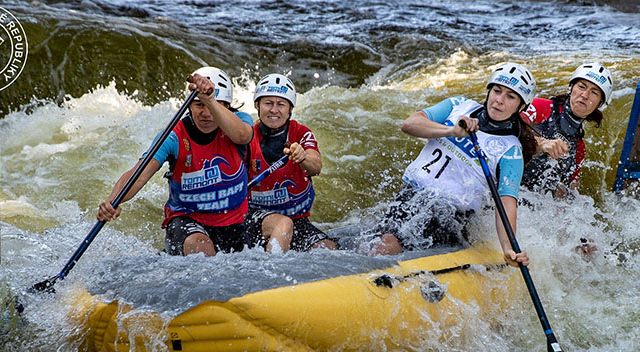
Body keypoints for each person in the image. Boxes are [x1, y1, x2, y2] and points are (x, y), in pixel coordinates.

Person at [372, 63, 538, 267]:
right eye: (496, 91)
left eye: (510, 97)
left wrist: (508, 248)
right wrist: (450, 131)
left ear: (521, 107)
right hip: (410, 197)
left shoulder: (510, 151)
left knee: (386, 246)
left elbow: (505, 204)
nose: (499, 100)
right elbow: (409, 124)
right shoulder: (458, 106)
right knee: (378, 245)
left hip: (450, 216)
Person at [97, 67, 254, 256]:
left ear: (226, 107)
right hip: (187, 222)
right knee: (202, 249)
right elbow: (139, 174)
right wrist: (112, 201)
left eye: (214, 105)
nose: (206, 113)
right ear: (189, 106)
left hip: (233, 222)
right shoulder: (174, 136)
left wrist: (209, 99)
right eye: (199, 105)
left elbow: (242, 136)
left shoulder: (241, 121)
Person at [245, 73, 337, 252]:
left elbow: (316, 166)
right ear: (257, 105)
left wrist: (302, 157)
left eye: (280, 104)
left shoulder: (301, 133)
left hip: (297, 220)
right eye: (268, 103)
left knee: (328, 249)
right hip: (255, 219)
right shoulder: (246, 136)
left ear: (289, 109)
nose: (274, 110)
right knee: (283, 225)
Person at [521, 62, 613, 197]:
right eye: (581, 87)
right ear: (570, 88)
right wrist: (539, 143)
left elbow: (569, 193)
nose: (585, 95)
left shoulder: (579, 149)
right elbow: (508, 128)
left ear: (599, 104)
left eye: (594, 92)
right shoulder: (541, 107)